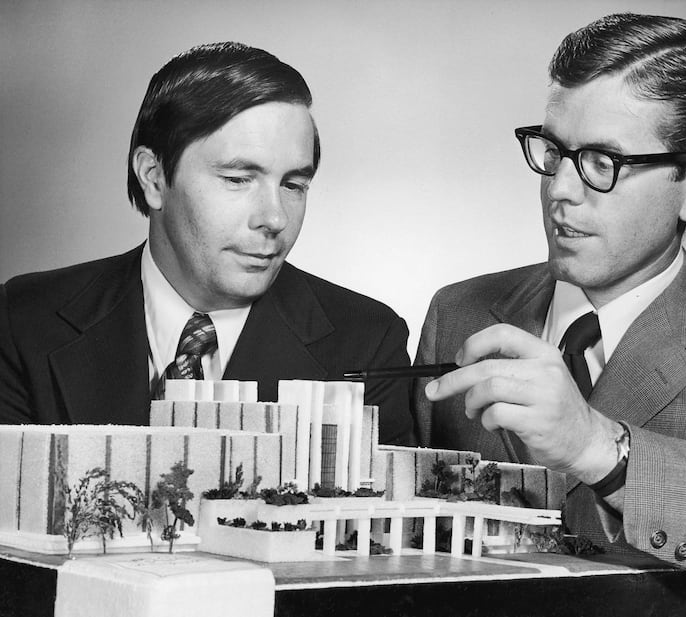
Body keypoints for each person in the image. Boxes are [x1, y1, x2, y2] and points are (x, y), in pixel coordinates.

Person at [413, 13, 686, 613]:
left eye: (601, 162)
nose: (560, 189)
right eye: (553, 151)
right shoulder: (457, 312)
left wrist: (600, 446)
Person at [0, 42, 414, 445]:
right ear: (154, 177)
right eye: (237, 179)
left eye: (293, 184)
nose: (275, 218)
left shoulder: (367, 343)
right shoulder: (22, 321)